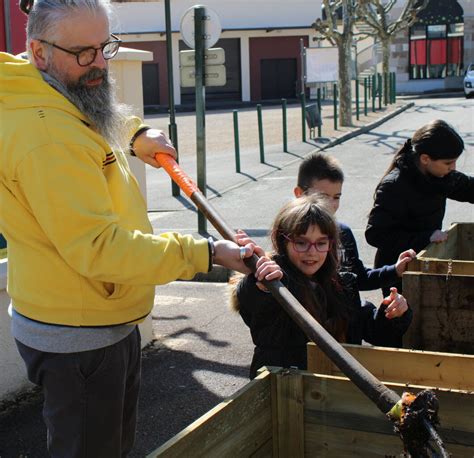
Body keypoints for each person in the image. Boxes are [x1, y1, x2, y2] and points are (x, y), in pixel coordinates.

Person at [0, 1, 273, 456]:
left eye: (106, 46)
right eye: (85, 53)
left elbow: (93, 110)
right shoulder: (47, 138)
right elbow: (100, 249)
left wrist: (135, 133)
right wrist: (207, 253)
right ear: (39, 50)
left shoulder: (37, 82)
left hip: (87, 314)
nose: (100, 63)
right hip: (80, 334)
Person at [231, 195, 412, 379]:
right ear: (282, 241)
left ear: (331, 244)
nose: (312, 252)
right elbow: (255, 307)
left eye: (321, 243)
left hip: (334, 390)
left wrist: (391, 314)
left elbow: (372, 332)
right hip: (284, 390)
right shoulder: (275, 285)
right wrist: (261, 284)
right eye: (301, 242)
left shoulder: (342, 284)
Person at [365, 119, 474, 295]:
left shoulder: (442, 177)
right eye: (448, 163)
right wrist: (426, 237)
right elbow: (376, 234)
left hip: (427, 264)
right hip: (399, 273)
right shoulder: (395, 186)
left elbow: (469, 188)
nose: (453, 168)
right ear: (425, 159)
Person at [294, 152, 415, 292]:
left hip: (344, 312)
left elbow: (359, 279)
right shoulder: (290, 236)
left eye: (336, 197)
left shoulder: (343, 233)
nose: (331, 204)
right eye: (322, 196)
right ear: (299, 194)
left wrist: (395, 270)